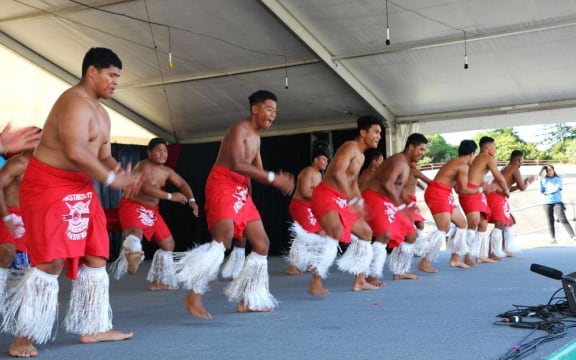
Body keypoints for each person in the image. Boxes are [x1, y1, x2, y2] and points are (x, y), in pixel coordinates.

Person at [1, 47, 141, 358]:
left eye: (118, 77)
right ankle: (24, 335)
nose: (116, 82)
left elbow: (103, 156)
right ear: (92, 72)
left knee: (96, 254)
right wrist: (110, 181)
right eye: (112, 75)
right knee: (50, 261)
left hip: (79, 185)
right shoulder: (73, 102)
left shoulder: (102, 113)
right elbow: (77, 152)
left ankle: (94, 326)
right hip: (48, 183)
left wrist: (122, 174)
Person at [175, 90, 294, 319]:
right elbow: (239, 163)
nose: (273, 115)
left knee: (262, 244)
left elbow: (256, 171)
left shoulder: (257, 138)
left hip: (240, 189)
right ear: (255, 109)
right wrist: (272, 178)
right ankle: (194, 294)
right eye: (269, 109)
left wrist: (274, 181)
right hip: (222, 183)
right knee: (224, 238)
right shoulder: (238, 130)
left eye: (276, 112)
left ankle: (248, 299)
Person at [308, 115, 383, 296]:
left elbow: (352, 181)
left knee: (366, 232)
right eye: (376, 132)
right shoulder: (350, 147)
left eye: (380, 133)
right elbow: (338, 173)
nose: (379, 136)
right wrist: (352, 199)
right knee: (334, 232)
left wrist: (359, 201)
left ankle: (360, 280)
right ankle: (315, 281)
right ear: (363, 132)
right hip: (326, 194)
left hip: (341, 199)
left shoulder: (362, 156)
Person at [110, 137, 199, 290]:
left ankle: (159, 281)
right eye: (159, 151)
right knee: (135, 234)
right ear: (149, 153)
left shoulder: (167, 171)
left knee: (168, 244)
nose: (163, 154)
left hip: (152, 211)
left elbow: (182, 183)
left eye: (165, 151)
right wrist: (171, 197)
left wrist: (191, 200)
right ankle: (132, 254)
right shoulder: (142, 166)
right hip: (133, 205)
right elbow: (144, 187)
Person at [363, 133, 441, 281]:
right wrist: (400, 205)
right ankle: (371, 275)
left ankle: (400, 271)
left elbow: (398, 189)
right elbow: (387, 183)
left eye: (424, 150)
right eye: (421, 149)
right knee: (384, 235)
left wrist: (409, 204)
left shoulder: (406, 164)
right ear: (411, 147)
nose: (422, 154)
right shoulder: (399, 161)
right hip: (374, 198)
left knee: (411, 234)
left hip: (386, 200)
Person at [424, 140, 486, 269]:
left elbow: (458, 189)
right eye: (474, 156)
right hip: (438, 193)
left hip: (445, 194)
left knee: (462, 224)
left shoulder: (459, 163)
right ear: (472, 154)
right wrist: (480, 189)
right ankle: (425, 261)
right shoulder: (462, 165)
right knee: (443, 228)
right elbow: (463, 190)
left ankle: (455, 259)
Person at [458, 136, 506, 264]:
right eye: (494, 146)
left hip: (477, 192)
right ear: (488, 146)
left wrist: (485, 186)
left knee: (483, 223)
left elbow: (477, 176)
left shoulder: (478, 159)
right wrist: (505, 189)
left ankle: (480, 254)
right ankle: (467, 255)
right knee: (473, 223)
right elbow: (499, 177)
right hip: (470, 191)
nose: (495, 149)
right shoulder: (486, 158)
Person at [285, 147, 330, 277]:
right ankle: (292, 266)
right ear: (315, 160)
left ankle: (311, 262)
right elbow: (305, 193)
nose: (325, 162)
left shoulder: (320, 175)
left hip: (311, 207)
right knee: (303, 235)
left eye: (326, 160)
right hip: (300, 206)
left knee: (321, 233)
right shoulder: (307, 172)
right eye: (323, 159)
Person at [0, 150, 32, 316]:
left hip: (29, 218)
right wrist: (5, 216)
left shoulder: (48, 165)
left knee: (27, 267)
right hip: (9, 215)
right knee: (6, 255)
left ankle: (16, 312)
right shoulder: (19, 163)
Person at [486, 150, 535, 256]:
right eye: (522, 160)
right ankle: (492, 252)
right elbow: (522, 188)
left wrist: (521, 184)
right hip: (496, 196)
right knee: (500, 223)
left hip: (499, 195)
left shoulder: (506, 168)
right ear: (520, 159)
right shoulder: (514, 169)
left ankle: (505, 248)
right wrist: (528, 183)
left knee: (509, 222)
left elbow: (507, 188)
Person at [539, 164, 576, 244]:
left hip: (557, 202)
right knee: (550, 220)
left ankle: (573, 235)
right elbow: (541, 190)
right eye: (548, 171)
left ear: (553, 170)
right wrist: (540, 180)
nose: (550, 172)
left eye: (551, 170)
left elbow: (556, 188)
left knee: (562, 218)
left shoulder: (557, 179)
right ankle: (553, 238)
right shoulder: (544, 179)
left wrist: (548, 192)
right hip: (546, 202)